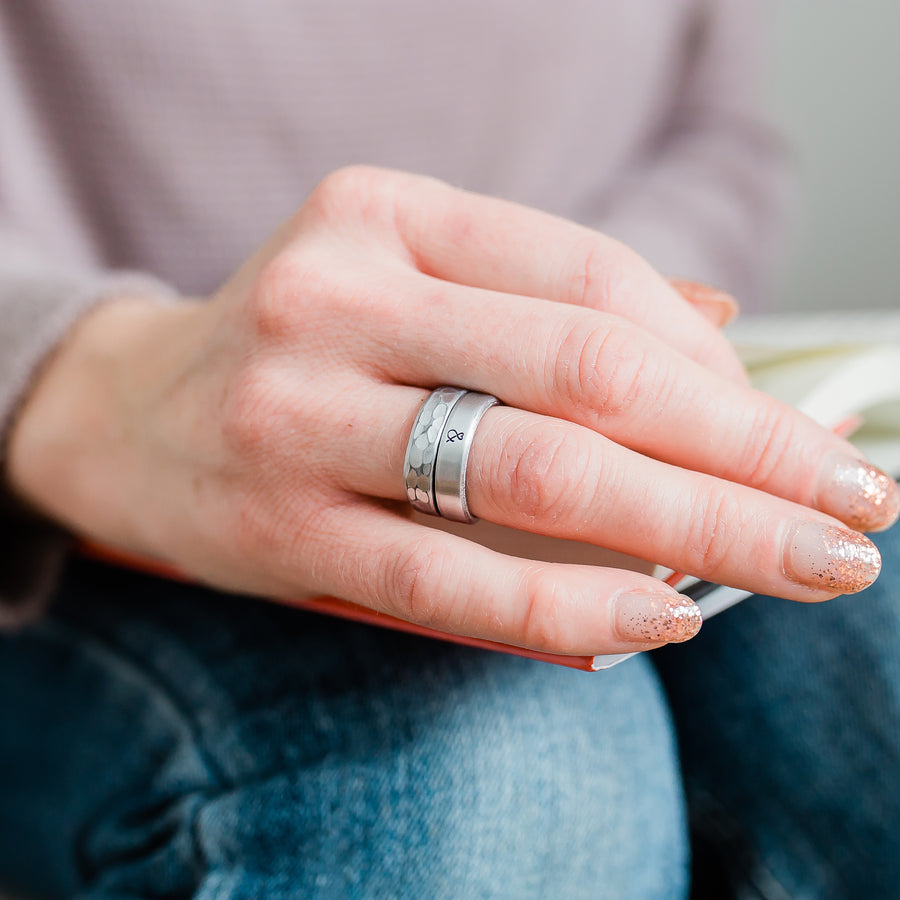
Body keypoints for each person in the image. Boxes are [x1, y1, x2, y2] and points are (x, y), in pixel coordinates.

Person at [1, 3, 898, 898]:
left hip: (608, 431)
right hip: (71, 495)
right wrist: (96, 378)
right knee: (489, 779)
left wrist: (601, 336)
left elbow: (712, 129)